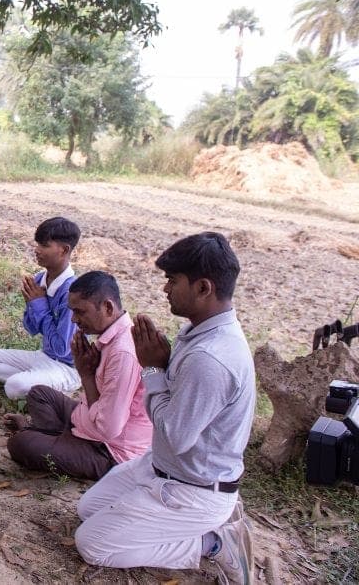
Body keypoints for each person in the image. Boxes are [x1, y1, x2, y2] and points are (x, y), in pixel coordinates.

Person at [75, 233, 256, 584]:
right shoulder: (199, 332)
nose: (165, 289)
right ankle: (164, 514)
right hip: (160, 468)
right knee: (87, 509)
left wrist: (154, 370)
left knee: (92, 544)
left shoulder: (211, 358)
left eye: (173, 281)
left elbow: (176, 437)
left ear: (203, 288)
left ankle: (214, 543)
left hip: (194, 489)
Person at [5, 271, 151, 480]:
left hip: (108, 450)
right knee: (39, 393)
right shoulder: (111, 337)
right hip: (90, 422)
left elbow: (108, 429)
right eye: (72, 312)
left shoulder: (123, 353)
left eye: (80, 312)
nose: (74, 319)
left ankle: (49, 438)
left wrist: (87, 376)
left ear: (108, 307)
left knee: (20, 444)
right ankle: (55, 437)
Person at [0, 217, 81, 398]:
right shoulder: (40, 279)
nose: (37, 250)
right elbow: (31, 328)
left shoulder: (72, 291)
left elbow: (62, 348)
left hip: (67, 367)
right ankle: (40, 383)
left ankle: (53, 386)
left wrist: (39, 305)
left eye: (44, 245)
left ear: (64, 250)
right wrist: (31, 304)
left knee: (14, 386)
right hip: (44, 357)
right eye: (37, 244)